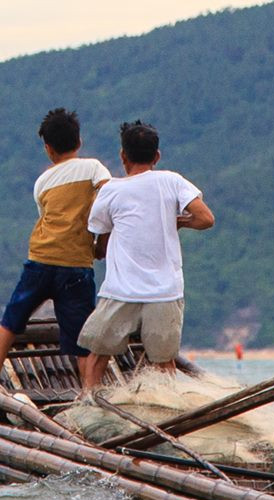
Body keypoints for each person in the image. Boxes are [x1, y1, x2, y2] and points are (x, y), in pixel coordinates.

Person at [78, 120, 215, 389]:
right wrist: (180, 221)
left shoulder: (111, 189)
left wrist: (97, 251)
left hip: (120, 290)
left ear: (122, 155)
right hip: (165, 292)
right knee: (164, 363)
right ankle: (166, 412)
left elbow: (100, 236)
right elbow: (206, 218)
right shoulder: (172, 181)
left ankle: (88, 403)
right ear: (157, 156)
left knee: (97, 355)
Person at [0, 108, 111, 384]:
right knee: (81, 336)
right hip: (76, 265)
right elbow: (110, 197)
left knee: (12, 317)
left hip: (41, 258)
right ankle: (89, 393)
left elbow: (46, 216)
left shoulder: (42, 182)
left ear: (48, 149)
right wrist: (102, 241)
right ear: (79, 142)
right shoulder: (93, 168)